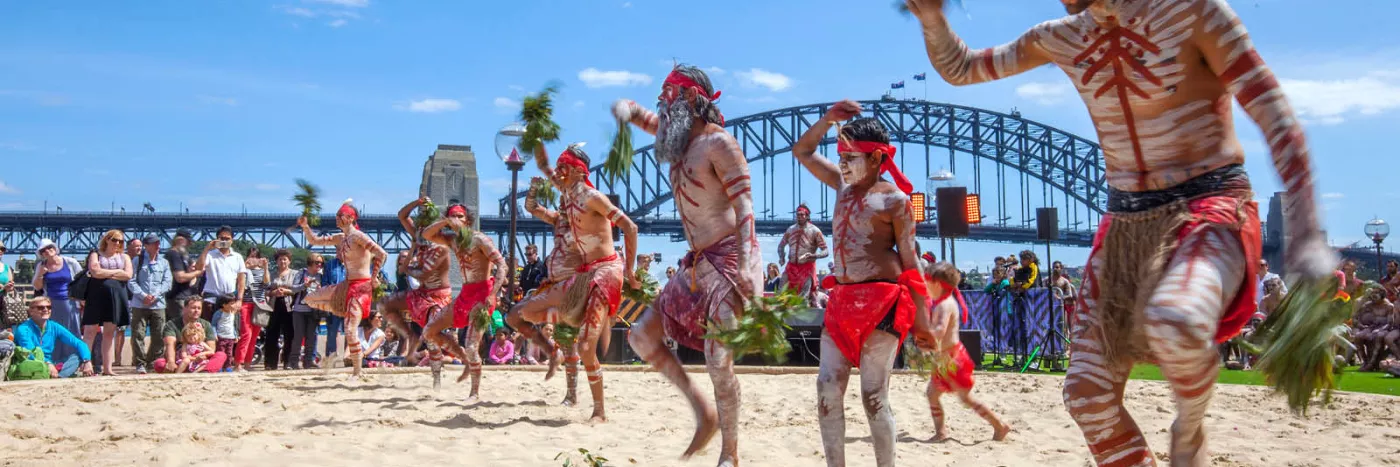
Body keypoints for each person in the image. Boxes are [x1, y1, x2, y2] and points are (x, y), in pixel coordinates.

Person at [903, 0, 1337, 464]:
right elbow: (962, 67)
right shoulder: (1060, 35)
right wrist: (931, 17)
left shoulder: (1195, 12)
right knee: (1087, 395)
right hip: (1122, 226)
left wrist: (1309, 233)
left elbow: (1277, 117)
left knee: (1178, 320)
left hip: (1208, 206)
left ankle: (1189, 427)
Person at [614, 64, 760, 464]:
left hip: (731, 259)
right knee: (641, 336)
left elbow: (745, 207)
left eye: (670, 94)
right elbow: (644, 118)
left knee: (717, 359)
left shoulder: (720, 144)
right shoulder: (678, 143)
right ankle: (703, 411)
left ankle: (729, 455)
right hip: (697, 264)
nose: (662, 101)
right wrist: (625, 107)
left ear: (692, 100)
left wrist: (748, 266)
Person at [791, 105, 933, 466]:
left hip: (882, 302)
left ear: (875, 158)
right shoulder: (841, 185)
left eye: (851, 157)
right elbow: (802, 151)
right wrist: (827, 119)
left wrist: (922, 322)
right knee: (826, 389)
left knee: (873, 397)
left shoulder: (895, 200)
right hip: (841, 301)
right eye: (840, 156)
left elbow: (911, 260)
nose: (842, 164)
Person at [504, 141, 638, 421]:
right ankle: (557, 357)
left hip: (606, 271)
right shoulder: (566, 199)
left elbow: (630, 226)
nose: (559, 172)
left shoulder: (592, 196)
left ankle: (599, 411)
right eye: (560, 167)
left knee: (586, 347)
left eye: (565, 167)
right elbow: (540, 181)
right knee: (523, 313)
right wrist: (537, 137)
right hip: (581, 275)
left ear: (578, 171)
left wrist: (631, 272)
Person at [299, 200, 389, 378]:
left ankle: (357, 371)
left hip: (362, 287)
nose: (336, 219)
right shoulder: (341, 238)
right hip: (346, 285)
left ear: (350, 218)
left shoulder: (358, 237)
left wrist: (374, 277)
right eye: (336, 216)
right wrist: (305, 226)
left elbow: (382, 254)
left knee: (349, 330)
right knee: (309, 299)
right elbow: (314, 240)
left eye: (340, 216)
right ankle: (341, 309)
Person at [922, 262, 1009, 441]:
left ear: (937, 284)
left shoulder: (945, 305)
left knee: (966, 398)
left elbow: (940, 330)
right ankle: (940, 431)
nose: (925, 287)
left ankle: (999, 425)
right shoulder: (943, 303)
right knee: (932, 394)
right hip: (943, 358)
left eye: (927, 283)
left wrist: (925, 335)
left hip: (952, 359)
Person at [84, 229, 133, 376]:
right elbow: (95, 272)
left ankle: (107, 368)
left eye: (120, 241)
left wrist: (105, 273)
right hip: (96, 296)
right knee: (90, 331)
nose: (117, 243)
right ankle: (86, 364)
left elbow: (128, 275)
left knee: (109, 333)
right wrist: (117, 272)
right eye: (114, 239)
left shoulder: (125, 257)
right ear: (106, 240)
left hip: (116, 297)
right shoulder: (96, 254)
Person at [13, 297, 95, 378]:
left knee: (79, 356)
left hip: (50, 364)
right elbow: (30, 352)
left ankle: (58, 375)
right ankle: (57, 375)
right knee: (34, 361)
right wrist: (47, 363)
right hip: (31, 363)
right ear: (31, 311)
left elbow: (78, 343)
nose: (46, 310)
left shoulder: (54, 326)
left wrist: (87, 360)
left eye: (49, 307)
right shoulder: (23, 329)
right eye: (40, 308)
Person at [31, 239, 84, 364]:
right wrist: (40, 274)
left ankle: (74, 362)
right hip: (50, 304)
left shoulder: (70, 262)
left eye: (49, 247)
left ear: (55, 248)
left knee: (72, 331)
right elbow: (37, 286)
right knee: (52, 332)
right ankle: (55, 361)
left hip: (70, 302)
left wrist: (82, 299)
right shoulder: (41, 266)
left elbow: (82, 280)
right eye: (43, 250)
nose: (47, 251)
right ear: (41, 254)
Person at [127, 234, 171, 374]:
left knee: (158, 335)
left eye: (158, 243)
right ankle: (140, 362)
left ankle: (152, 361)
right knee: (138, 334)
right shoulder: (137, 261)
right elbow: (131, 280)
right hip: (140, 304)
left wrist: (155, 295)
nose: (157, 246)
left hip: (158, 305)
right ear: (146, 245)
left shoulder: (164, 262)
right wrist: (143, 295)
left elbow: (167, 282)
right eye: (153, 243)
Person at [154, 299, 226, 373]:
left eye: (199, 308)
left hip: (201, 361)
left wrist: (203, 356)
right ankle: (178, 371)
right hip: (180, 361)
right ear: (184, 308)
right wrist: (171, 362)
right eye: (193, 308)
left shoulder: (206, 324)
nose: (196, 310)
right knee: (159, 363)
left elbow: (211, 348)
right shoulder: (172, 324)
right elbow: (170, 345)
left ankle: (203, 371)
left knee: (221, 355)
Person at [194, 226, 247, 324]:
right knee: (209, 332)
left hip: (229, 300)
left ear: (232, 240)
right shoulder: (210, 254)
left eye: (227, 239)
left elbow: (241, 280)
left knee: (228, 334)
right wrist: (207, 249)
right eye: (221, 238)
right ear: (217, 239)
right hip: (211, 299)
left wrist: (239, 300)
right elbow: (198, 268)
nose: (224, 241)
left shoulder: (238, 257)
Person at [777, 204, 829, 303]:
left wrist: (814, 255)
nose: (799, 217)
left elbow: (826, 251)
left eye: (802, 215)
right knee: (780, 293)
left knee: (803, 298)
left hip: (807, 268)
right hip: (791, 267)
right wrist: (782, 257)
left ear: (807, 216)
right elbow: (781, 246)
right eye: (798, 215)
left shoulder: (815, 231)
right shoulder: (790, 229)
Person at [235, 248, 269, 371]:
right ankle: (238, 363)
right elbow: (238, 283)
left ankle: (248, 364)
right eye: (251, 256)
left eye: (256, 256)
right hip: (246, 303)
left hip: (259, 305)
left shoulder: (261, 271)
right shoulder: (243, 270)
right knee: (246, 334)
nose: (253, 259)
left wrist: (265, 267)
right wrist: (244, 266)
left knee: (254, 336)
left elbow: (267, 283)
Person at [264, 249, 298, 370]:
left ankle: (287, 362)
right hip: (274, 306)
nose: (282, 261)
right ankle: (270, 363)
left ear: (289, 261)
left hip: (290, 306)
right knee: (271, 334)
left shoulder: (295, 274)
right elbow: (265, 289)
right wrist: (273, 292)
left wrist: (287, 291)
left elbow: (299, 289)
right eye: (280, 259)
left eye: (285, 259)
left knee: (290, 335)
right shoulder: (271, 274)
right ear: (276, 261)